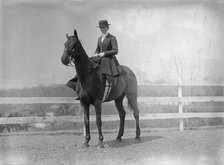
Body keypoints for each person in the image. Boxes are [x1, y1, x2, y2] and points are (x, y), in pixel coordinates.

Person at [66, 20, 120, 99]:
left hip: (108, 59)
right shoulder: (99, 38)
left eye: (103, 27)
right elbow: (97, 49)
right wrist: (96, 53)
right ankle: (79, 88)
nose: (102, 29)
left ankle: (105, 91)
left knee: (104, 74)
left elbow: (115, 50)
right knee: (86, 66)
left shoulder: (112, 38)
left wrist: (104, 53)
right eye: (101, 28)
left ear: (107, 27)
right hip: (99, 57)